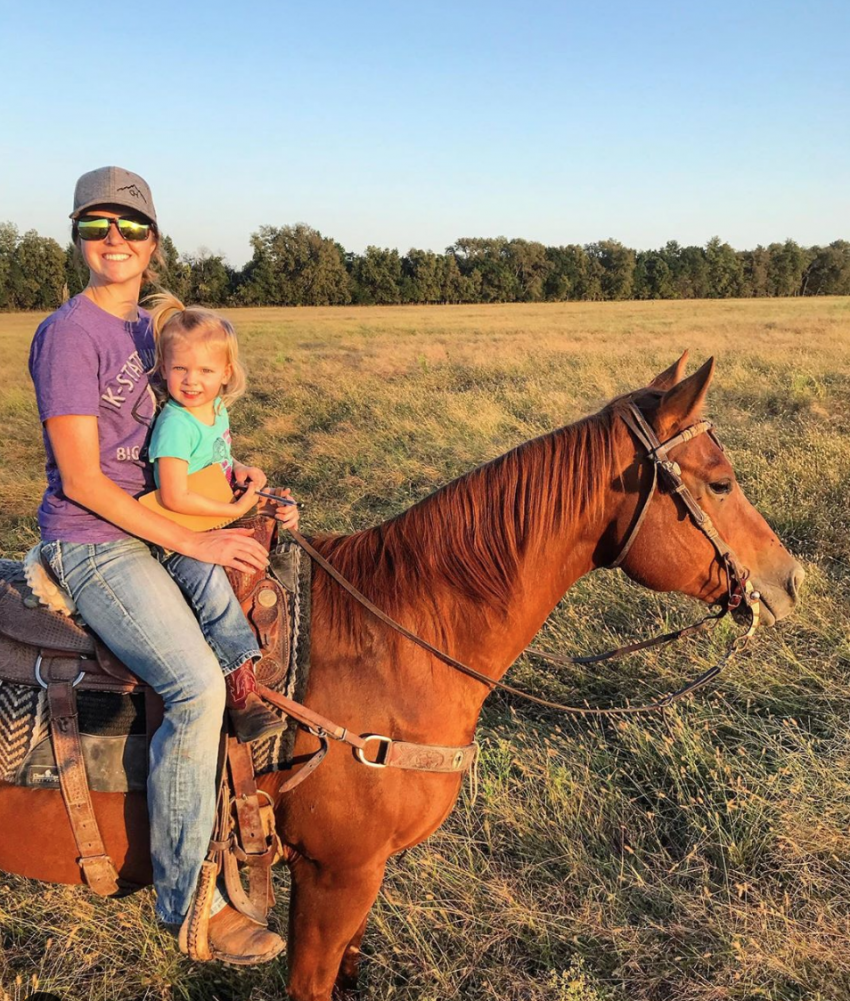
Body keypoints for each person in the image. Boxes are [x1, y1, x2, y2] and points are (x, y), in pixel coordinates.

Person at [29, 166, 297, 965]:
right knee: (193, 683)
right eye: (95, 225)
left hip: (162, 518)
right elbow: (82, 479)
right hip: (95, 538)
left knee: (260, 613)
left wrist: (236, 472)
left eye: (131, 226)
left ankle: (247, 801)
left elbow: (188, 423)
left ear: (153, 240)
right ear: (76, 236)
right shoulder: (68, 334)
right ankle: (189, 906)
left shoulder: (156, 329)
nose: (114, 240)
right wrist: (199, 538)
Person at [144, 291, 292, 744]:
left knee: (281, 516)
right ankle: (240, 689)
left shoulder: (214, 410)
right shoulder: (176, 423)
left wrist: (243, 472)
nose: (192, 381)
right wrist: (231, 509)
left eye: (206, 371)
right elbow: (174, 494)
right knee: (208, 584)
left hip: (213, 509)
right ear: (163, 369)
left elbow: (216, 462)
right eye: (180, 369)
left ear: (225, 374)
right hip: (179, 530)